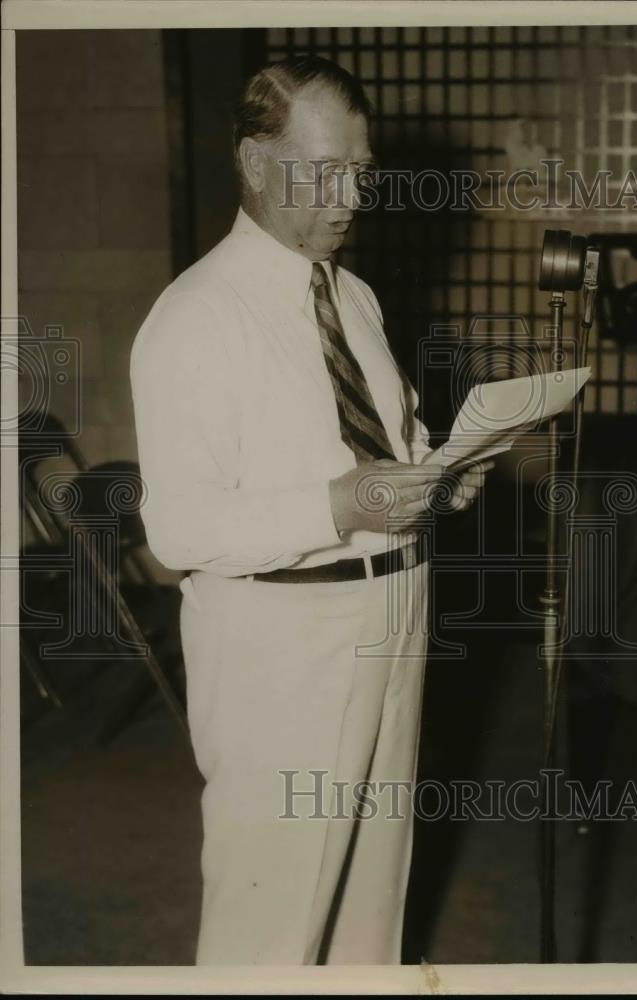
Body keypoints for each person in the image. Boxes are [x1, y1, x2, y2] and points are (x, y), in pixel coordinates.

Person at [130, 55, 491, 966]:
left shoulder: (352, 295)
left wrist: (440, 474)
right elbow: (178, 530)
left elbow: (389, 438)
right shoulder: (196, 316)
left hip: (395, 616)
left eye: (360, 171)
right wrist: (337, 504)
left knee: (373, 907)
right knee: (271, 927)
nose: (350, 197)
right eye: (324, 171)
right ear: (255, 163)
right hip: (283, 646)